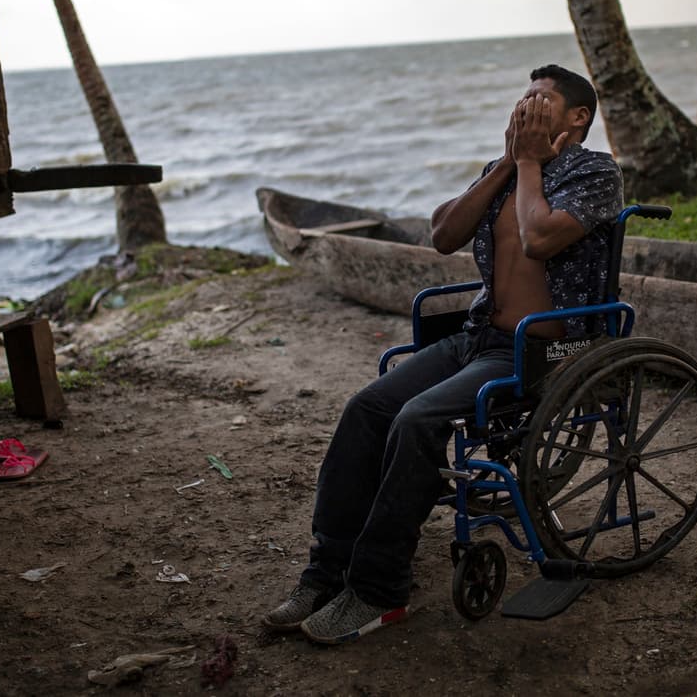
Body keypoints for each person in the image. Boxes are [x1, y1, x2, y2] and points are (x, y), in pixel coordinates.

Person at [264, 64, 623, 643]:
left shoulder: (594, 172)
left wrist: (530, 162)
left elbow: (540, 238)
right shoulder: (503, 172)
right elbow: (443, 235)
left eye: (541, 99)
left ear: (577, 117)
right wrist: (509, 163)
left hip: (540, 350)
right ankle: (325, 573)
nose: (525, 106)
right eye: (523, 97)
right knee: (366, 409)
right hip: (478, 337)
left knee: (417, 419)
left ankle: (378, 592)